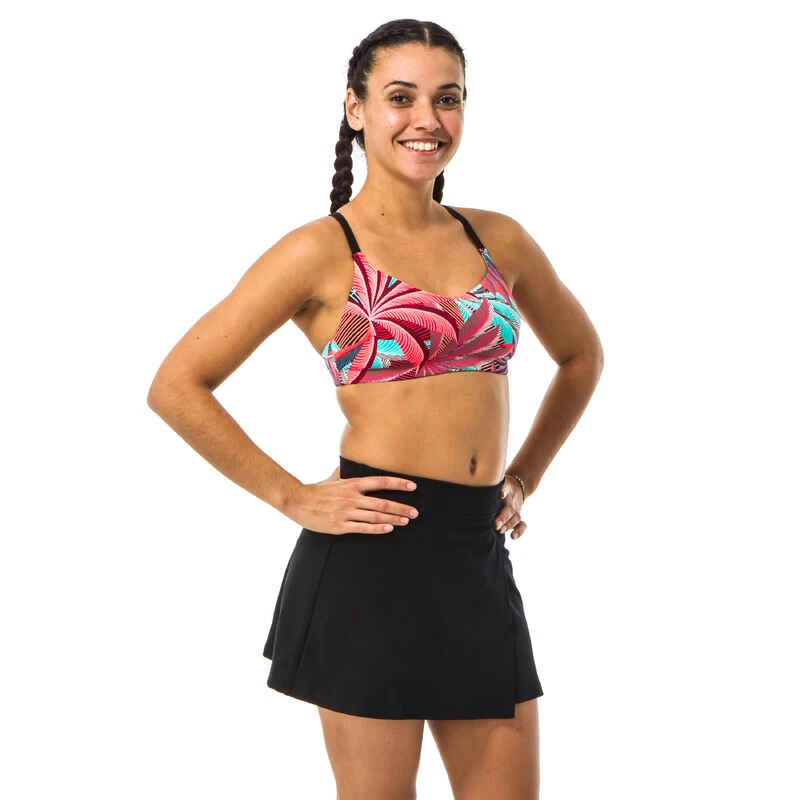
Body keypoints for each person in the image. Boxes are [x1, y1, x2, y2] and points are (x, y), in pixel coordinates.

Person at [147, 17, 603, 800]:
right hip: (370, 560)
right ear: (356, 109)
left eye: (447, 98)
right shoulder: (321, 251)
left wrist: (524, 475)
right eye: (402, 97)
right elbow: (178, 384)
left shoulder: (499, 240)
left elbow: (581, 357)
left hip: (476, 557)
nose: (428, 119)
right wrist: (292, 496)